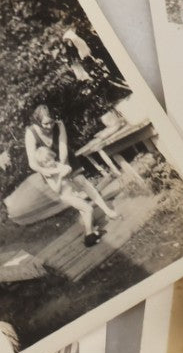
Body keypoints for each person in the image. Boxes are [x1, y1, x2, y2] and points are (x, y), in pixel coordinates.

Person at [24, 104, 119, 248]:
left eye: (51, 122)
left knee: (83, 183)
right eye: (45, 123)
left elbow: (62, 148)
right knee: (72, 195)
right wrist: (54, 172)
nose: (49, 126)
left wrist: (63, 166)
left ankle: (107, 211)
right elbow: (32, 163)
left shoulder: (59, 125)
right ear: (38, 122)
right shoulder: (31, 133)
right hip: (48, 165)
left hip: (64, 160)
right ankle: (90, 229)